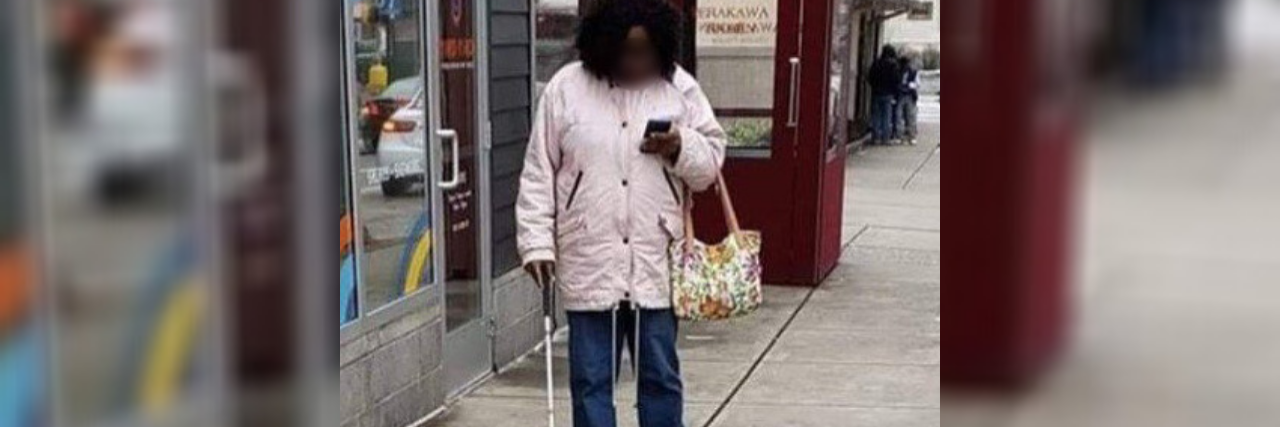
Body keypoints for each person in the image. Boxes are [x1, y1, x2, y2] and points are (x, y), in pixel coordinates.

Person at [516, 1, 726, 426]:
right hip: (589, 257)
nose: (636, 62)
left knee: (660, 378)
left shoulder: (679, 88)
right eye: (627, 51)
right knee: (591, 381)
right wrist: (536, 243)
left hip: (655, 260)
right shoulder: (566, 89)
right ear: (604, 45)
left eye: (645, 51)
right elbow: (539, 171)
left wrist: (679, 146)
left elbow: (709, 169)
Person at [867, 45, 901, 145]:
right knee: (887, 116)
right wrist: (895, 93)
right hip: (888, 94)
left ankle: (876, 137)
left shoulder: (876, 63)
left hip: (877, 93)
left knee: (876, 116)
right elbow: (896, 80)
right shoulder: (893, 65)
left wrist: (874, 86)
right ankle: (885, 138)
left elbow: (870, 77)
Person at [896, 54, 920, 145]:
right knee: (903, 116)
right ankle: (904, 136)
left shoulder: (912, 72)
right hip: (903, 95)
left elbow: (917, 84)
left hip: (907, 95)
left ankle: (909, 136)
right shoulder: (901, 72)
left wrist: (909, 86)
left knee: (907, 116)